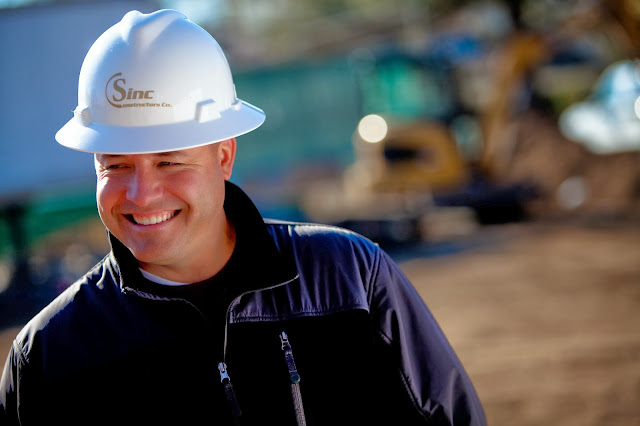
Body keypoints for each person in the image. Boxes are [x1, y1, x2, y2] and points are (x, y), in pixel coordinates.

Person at [0, 9, 486, 426]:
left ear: (224, 156)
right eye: (116, 165)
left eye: (169, 161)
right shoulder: (48, 354)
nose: (141, 194)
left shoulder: (352, 278)